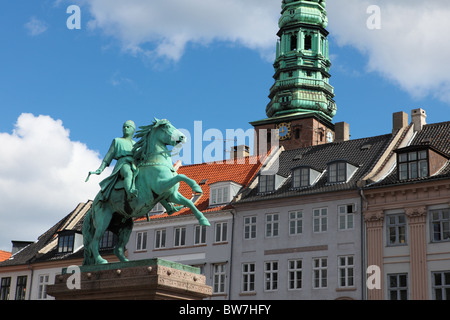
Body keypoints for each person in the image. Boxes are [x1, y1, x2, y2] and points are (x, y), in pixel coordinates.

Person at [87, 120, 138, 201]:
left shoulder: (135, 144)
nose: (125, 128)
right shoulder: (117, 141)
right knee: (128, 173)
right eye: (124, 127)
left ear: (133, 129)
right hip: (123, 163)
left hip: (134, 164)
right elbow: (108, 156)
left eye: (128, 127)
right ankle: (130, 193)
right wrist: (100, 169)